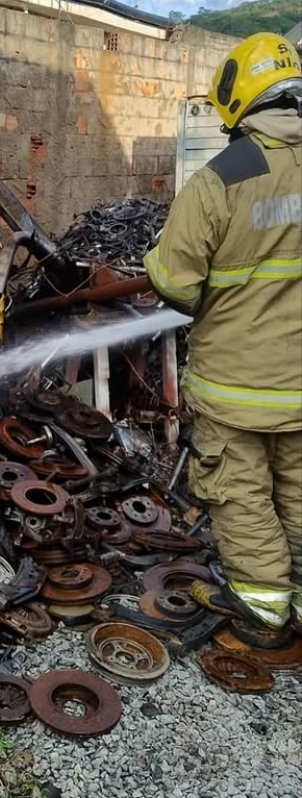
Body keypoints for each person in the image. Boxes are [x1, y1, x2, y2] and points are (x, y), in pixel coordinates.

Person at [143, 32, 302, 643]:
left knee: (240, 493)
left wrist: (154, 260)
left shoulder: (222, 178)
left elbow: (176, 285)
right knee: (297, 489)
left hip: (238, 385)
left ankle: (263, 607)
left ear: (238, 97)